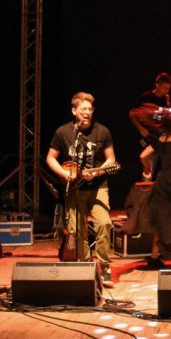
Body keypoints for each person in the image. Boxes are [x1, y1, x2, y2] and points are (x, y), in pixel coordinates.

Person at [46, 92, 117, 287]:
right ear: (74, 111)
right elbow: (50, 158)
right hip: (74, 188)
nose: (87, 112)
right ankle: (86, 266)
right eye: (83, 109)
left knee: (104, 224)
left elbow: (111, 159)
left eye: (90, 109)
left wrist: (97, 172)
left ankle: (104, 267)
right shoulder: (63, 132)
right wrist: (63, 173)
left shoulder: (102, 131)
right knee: (77, 230)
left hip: (98, 187)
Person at [139, 115, 171, 269]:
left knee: (161, 220)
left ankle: (154, 256)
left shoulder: (160, 140)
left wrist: (147, 168)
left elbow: (142, 155)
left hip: (162, 182)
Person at [129, 72, 171, 147]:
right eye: (165, 88)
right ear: (157, 85)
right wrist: (140, 128)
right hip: (142, 133)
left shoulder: (167, 100)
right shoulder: (145, 97)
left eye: (168, 89)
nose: (167, 91)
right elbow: (131, 114)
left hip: (154, 137)